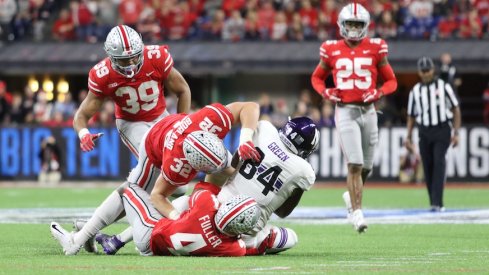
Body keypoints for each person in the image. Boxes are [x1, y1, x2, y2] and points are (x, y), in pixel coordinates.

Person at [50, 101, 261, 255]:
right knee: (132, 189)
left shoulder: (209, 120)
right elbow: (157, 196)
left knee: (177, 201)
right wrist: (179, 218)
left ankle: (91, 233)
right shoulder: (175, 165)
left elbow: (250, 106)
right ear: (192, 165)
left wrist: (245, 139)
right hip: (153, 148)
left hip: (172, 126)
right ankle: (81, 239)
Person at [72, 24, 191, 252]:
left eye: (132, 58)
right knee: (152, 180)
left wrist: (181, 123)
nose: (128, 65)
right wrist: (83, 133)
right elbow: (82, 115)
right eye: (122, 60)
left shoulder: (156, 57)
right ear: (110, 57)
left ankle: (90, 229)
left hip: (162, 119)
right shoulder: (103, 74)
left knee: (179, 188)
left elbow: (183, 89)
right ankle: (95, 230)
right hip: (131, 124)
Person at [310, 3, 397, 233]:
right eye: (350, 23)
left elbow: (391, 81)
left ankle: (351, 197)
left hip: (369, 111)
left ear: (366, 25)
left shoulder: (376, 48)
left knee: (366, 167)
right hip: (346, 110)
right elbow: (317, 78)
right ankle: (357, 212)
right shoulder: (331, 49)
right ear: (341, 24)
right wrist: (325, 92)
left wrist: (378, 92)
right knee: (355, 164)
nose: (354, 28)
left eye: (358, 24)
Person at [53, 180, 261, 257]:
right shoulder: (234, 248)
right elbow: (246, 246)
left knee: (129, 188)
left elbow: (205, 185)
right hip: (159, 248)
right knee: (177, 205)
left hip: (151, 232)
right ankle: (103, 238)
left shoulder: (206, 204)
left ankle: (74, 243)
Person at [216, 117, 320, 254]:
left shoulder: (265, 128)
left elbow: (233, 163)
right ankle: (256, 245)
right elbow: (282, 212)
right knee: (291, 237)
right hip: (245, 233)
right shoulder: (304, 171)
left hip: (218, 207)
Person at [405, 56, 461, 212]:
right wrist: (408, 137)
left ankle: (438, 202)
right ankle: (433, 202)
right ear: (419, 72)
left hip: (442, 129)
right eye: (422, 71)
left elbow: (456, 109)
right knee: (428, 165)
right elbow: (411, 115)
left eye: (427, 70)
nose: (425, 74)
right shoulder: (415, 91)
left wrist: (456, 132)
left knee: (439, 161)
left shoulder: (444, 87)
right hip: (424, 130)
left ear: (433, 70)